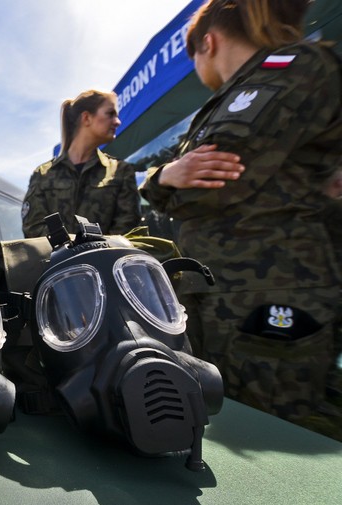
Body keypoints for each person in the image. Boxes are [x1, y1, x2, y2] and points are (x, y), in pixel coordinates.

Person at [140, 0, 342, 439]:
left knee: (268, 440)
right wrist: (167, 176)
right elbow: (187, 179)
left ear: (207, 44)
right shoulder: (230, 96)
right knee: (218, 427)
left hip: (269, 298)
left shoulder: (288, 67)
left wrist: (164, 182)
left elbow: (216, 182)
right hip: (224, 293)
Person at [21, 90, 141, 238]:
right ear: (86, 118)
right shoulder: (43, 174)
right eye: (110, 114)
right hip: (55, 261)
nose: (117, 121)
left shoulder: (121, 172)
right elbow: (33, 230)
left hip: (105, 261)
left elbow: (127, 233)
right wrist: (69, 249)